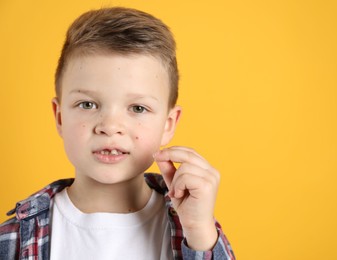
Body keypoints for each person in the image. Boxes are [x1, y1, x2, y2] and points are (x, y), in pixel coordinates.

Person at [0, 7, 235, 260]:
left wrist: (199, 233)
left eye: (137, 108)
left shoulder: (197, 232)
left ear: (168, 125)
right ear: (59, 117)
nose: (110, 126)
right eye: (87, 104)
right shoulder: (15, 237)